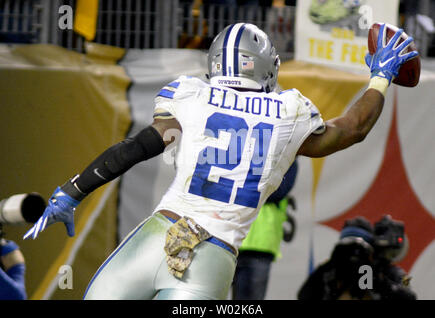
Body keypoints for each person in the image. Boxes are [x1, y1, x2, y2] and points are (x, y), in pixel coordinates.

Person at [24, 22, 418, 300]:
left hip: (159, 235)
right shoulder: (289, 110)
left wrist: (72, 192)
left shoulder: (192, 95)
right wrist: (379, 77)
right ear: (266, 66)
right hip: (214, 256)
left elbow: (136, 148)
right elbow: (353, 129)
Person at [232, 159, 298, 300]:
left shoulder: (290, 159)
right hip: (229, 240)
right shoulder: (246, 150)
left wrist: (245, 185)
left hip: (260, 246)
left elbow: (277, 192)